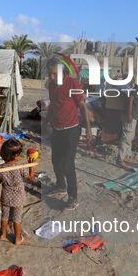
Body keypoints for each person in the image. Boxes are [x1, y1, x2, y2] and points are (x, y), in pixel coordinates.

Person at [43, 58, 91, 211]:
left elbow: (82, 106)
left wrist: (88, 128)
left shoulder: (73, 84)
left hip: (71, 130)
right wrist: (45, 123)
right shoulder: (51, 85)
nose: (52, 77)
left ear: (62, 71)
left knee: (67, 164)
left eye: (54, 74)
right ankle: (60, 186)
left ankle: (73, 197)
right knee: (56, 161)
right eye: (50, 74)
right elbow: (52, 105)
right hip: (57, 129)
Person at [0, 138, 35, 245]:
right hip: (18, 198)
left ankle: (2, 234)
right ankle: (17, 239)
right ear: (16, 156)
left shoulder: (0, 168)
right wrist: (31, 165)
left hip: (6, 197)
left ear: (2, 154)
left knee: (4, 216)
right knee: (17, 219)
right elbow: (30, 177)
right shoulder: (20, 168)